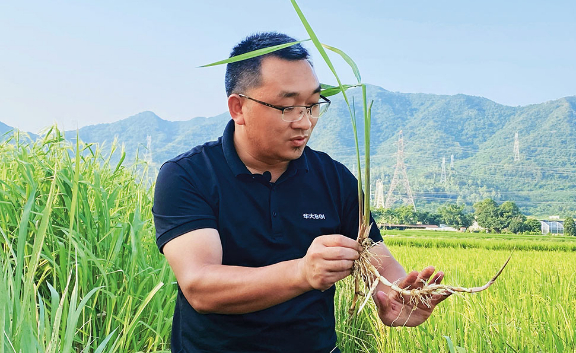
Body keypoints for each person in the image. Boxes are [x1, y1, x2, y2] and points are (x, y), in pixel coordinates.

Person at [152, 32, 449, 353]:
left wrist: (398, 295)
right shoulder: (188, 175)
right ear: (238, 108)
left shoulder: (336, 180)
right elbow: (201, 287)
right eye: (288, 107)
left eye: (312, 105)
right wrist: (302, 273)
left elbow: (379, 261)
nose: (305, 122)